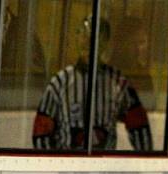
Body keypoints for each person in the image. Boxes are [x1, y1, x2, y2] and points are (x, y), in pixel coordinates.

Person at [32, 16, 152, 151]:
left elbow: (140, 128)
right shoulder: (59, 83)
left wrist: (145, 162)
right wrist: (52, 165)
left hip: (104, 168)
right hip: (68, 169)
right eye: (82, 34)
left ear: (105, 42)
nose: (86, 40)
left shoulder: (118, 83)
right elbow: (41, 132)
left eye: (93, 35)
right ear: (77, 38)